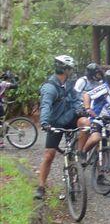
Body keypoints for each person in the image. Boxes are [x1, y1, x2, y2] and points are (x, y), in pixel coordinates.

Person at [34, 55, 83, 200]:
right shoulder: (50, 87)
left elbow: (76, 100)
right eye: (70, 69)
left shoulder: (69, 84)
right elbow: (45, 105)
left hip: (70, 118)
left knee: (85, 124)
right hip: (55, 123)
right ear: (65, 69)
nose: (72, 71)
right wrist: (44, 122)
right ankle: (41, 187)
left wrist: (80, 109)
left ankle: (80, 152)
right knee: (49, 155)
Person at [77, 68, 110, 165]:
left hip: (106, 121)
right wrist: (88, 109)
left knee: (103, 148)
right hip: (97, 119)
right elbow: (87, 95)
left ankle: (101, 174)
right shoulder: (103, 88)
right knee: (96, 138)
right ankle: (83, 152)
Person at [0, 71, 18, 148]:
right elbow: (15, 85)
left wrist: (14, 79)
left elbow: (15, 86)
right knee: (1, 123)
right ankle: (1, 142)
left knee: (1, 124)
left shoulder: (3, 83)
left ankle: (1, 142)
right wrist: (14, 78)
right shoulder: (3, 83)